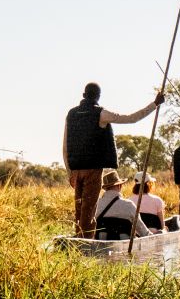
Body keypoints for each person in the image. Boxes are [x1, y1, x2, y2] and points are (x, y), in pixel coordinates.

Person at [64, 82, 163, 238]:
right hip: (93, 170)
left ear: (84, 95)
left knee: (79, 210)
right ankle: (85, 246)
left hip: (75, 170)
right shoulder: (101, 113)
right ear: (98, 97)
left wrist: (70, 172)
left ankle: (79, 242)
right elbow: (131, 118)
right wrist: (155, 104)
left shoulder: (71, 114)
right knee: (88, 212)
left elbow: (65, 145)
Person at [94, 170, 150, 240]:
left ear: (105, 188)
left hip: (100, 248)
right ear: (119, 186)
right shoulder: (129, 205)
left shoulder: (96, 204)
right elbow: (143, 232)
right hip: (124, 247)